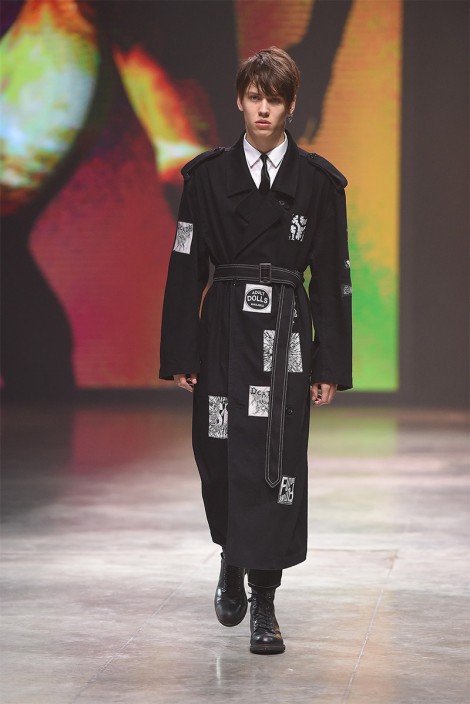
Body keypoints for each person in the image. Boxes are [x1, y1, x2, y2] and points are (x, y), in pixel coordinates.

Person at [159, 47, 352, 655]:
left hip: (284, 340)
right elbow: (185, 266)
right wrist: (181, 351)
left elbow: (333, 276)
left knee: (278, 461)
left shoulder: (317, 183)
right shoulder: (206, 178)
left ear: (291, 106)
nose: (263, 109)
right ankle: (230, 554)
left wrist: (329, 363)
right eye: (254, 97)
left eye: (274, 100)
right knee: (216, 453)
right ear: (239, 101)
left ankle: (264, 601)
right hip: (223, 333)